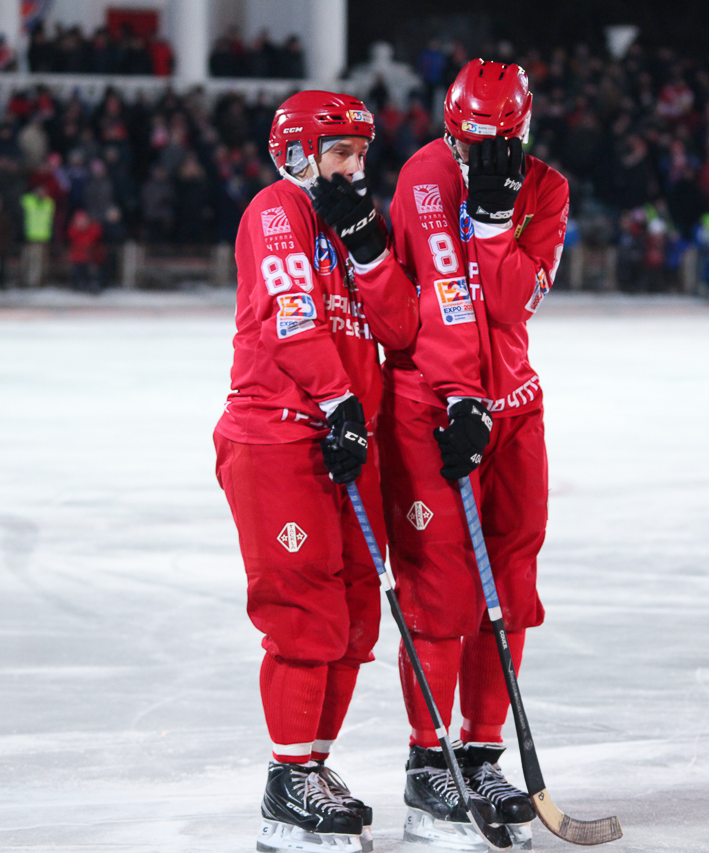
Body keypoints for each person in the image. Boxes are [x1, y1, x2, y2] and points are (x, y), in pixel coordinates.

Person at [213, 91, 419, 853]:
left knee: (357, 616)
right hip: (281, 439)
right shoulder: (278, 210)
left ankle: (314, 764)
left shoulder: (353, 223)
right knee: (304, 614)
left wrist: (369, 249)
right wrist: (336, 401)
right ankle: (285, 778)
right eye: (341, 153)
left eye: (362, 154)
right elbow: (290, 312)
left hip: (347, 443)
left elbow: (401, 329)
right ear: (298, 155)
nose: (356, 168)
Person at [381, 58, 568, 850]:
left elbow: (516, 297)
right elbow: (442, 295)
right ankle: (430, 764)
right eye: (466, 145)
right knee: (440, 586)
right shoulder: (424, 175)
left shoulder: (545, 190)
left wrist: (495, 225)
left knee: (511, 586)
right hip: (435, 408)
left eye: (493, 148)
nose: (476, 162)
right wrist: (459, 397)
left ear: (522, 134)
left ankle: (483, 748)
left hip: (514, 410)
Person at [21, 183, 54, 287]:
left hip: (43, 237)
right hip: (29, 236)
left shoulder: (49, 203)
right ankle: (28, 281)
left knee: (39, 263)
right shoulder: (28, 200)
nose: (40, 193)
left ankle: (35, 283)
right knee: (28, 261)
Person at [66, 209, 102, 293]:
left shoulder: (92, 229)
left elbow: (97, 233)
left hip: (89, 257)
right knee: (77, 270)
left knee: (91, 270)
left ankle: (91, 285)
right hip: (77, 257)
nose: (81, 223)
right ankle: (77, 285)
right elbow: (70, 235)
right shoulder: (74, 231)